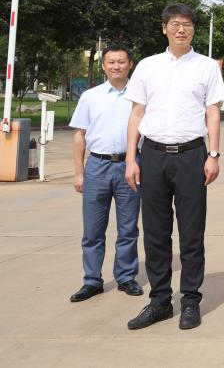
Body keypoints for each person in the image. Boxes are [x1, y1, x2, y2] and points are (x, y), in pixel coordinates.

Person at [123, 4, 224, 331]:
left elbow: (213, 112)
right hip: (152, 155)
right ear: (164, 28)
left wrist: (213, 154)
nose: (181, 29)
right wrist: (131, 158)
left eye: (187, 25)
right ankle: (159, 301)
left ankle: (191, 301)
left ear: (194, 29)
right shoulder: (147, 66)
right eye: (175, 24)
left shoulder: (207, 67)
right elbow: (137, 113)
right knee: (155, 233)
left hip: (191, 155)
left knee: (192, 233)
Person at [68, 45, 142, 303]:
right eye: (111, 62)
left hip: (129, 166)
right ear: (103, 66)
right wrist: (79, 173)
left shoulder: (140, 97)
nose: (116, 66)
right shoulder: (91, 96)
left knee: (128, 227)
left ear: (130, 64)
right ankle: (92, 281)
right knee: (93, 229)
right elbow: (80, 136)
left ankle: (126, 276)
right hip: (97, 167)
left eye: (121, 61)